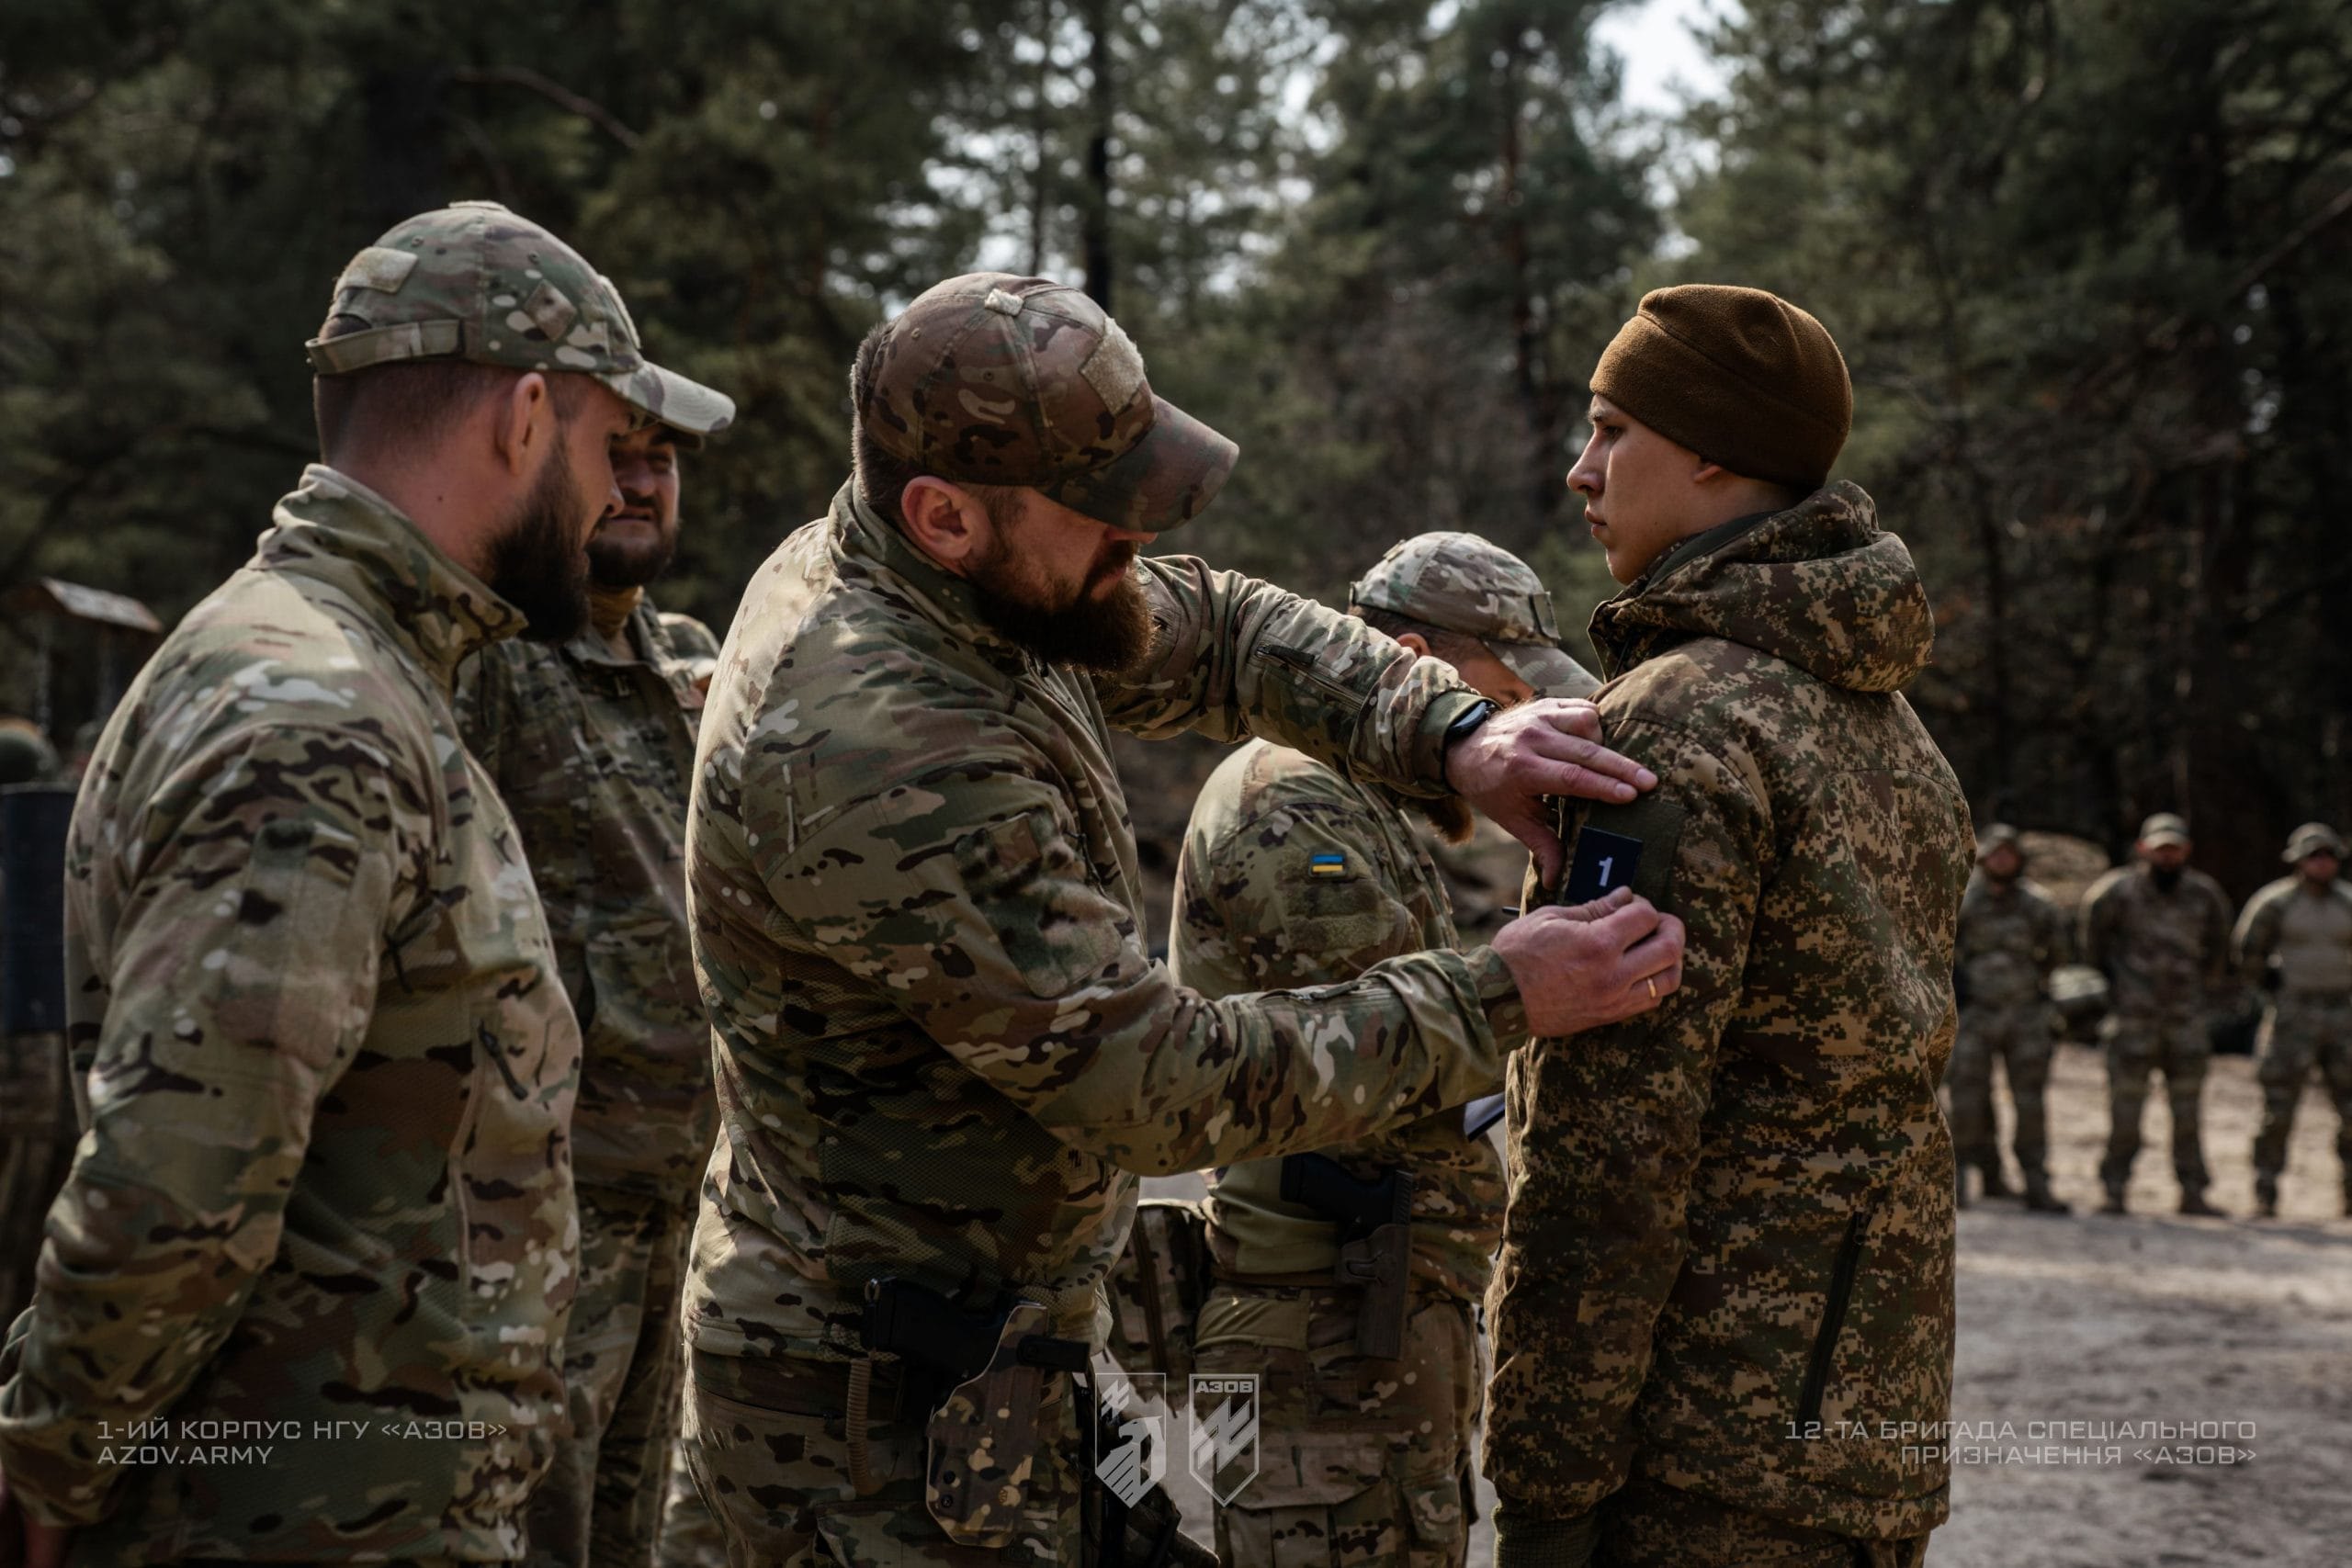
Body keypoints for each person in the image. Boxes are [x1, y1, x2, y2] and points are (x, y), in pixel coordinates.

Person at [678, 272, 1686, 1564]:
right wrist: (1499, 994)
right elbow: (1145, 1082)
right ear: (944, 514)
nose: (1136, 539)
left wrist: (1453, 732)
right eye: (1103, 508)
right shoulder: (883, 738)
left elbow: (1215, 629)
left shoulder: (962, 579)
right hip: (868, 1419)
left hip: (980, 1353)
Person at [0, 201, 732, 1567]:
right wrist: (52, 1468)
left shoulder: (366, 671)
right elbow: (178, 1181)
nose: (610, 495)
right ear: (525, 416)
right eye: (602, 445)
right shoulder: (318, 712)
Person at [1483, 285, 1973, 1568]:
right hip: (1862, 1437)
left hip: (1695, 1461)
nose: (1581, 469)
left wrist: (1545, 1477)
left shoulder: (1679, 723)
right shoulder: (1892, 731)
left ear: (1709, 451)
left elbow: (1611, 1140)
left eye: (1611, 430)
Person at [1169, 531, 1599, 1568]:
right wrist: (1533, 992)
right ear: (1415, 661)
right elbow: (1360, 1072)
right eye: (1504, 697)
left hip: (1357, 1317)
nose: (1512, 730)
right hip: (1318, 1328)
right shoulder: (1297, 798)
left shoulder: (1359, 803)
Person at [454, 417, 727, 1567]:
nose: (639, 485)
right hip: (548, 1212)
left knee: (642, 1528)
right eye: (614, 458)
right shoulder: (495, 657)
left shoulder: (693, 660)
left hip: (687, 1193)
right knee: (533, 1524)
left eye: (660, 463)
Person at [2081, 813, 2234, 1216]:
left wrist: (2201, 993)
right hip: (2132, 1020)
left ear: (2186, 851)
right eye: (2160, 848)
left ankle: (2193, 1192)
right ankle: (2114, 1189)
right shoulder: (2115, 892)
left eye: (2175, 849)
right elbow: (2092, 947)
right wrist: (2113, 993)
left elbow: (2219, 950)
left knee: (2188, 1114)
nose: (2167, 856)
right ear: (2143, 848)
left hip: (2185, 1020)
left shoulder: (2205, 895)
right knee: (2125, 1112)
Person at [1948, 823, 2073, 1212]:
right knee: (1967, 1098)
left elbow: (2060, 955)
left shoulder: (2039, 904)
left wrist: (2040, 994)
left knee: (2030, 1101)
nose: (2002, 861)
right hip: (1974, 1014)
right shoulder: (1962, 901)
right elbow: (1943, 951)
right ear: (1983, 859)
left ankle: (2037, 1182)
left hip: (2026, 1016)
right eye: (1995, 854)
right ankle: (1959, 1182)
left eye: (2009, 855)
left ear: (2020, 860)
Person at [2233, 821, 2352, 1218]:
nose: (2322, 863)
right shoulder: (2276, 903)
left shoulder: (2347, 902)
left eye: (2328, 856)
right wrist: (2271, 987)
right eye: (2314, 856)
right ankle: (2265, 1192)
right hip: (2292, 1015)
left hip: (2343, 1014)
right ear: (2298, 860)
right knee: (2278, 1110)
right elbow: (2247, 951)